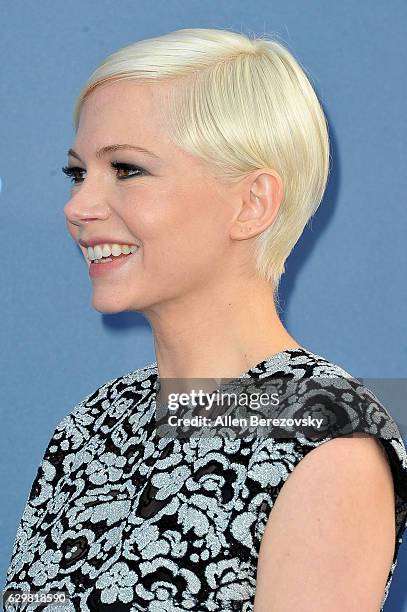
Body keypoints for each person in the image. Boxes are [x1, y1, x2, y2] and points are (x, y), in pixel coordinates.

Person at [4, 27, 407, 612]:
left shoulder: (327, 439)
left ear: (252, 204)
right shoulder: (96, 421)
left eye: (127, 169)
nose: (77, 207)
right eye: (78, 173)